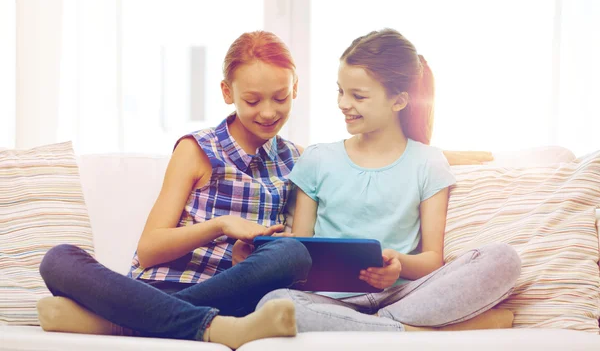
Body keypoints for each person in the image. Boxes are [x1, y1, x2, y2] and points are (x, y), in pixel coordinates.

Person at [37, 30, 495, 346]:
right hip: (170, 284)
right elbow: (150, 248)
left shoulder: (299, 157)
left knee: (290, 254)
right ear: (226, 92)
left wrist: (450, 154)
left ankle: (117, 321)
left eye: (282, 98)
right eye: (252, 100)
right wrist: (219, 225)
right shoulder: (197, 150)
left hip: (242, 290)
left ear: (296, 89)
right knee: (58, 258)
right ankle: (198, 324)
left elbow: (375, 151)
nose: (268, 112)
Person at [257, 28, 521, 333]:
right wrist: (275, 250)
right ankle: (407, 332)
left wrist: (399, 263)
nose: (343, 103)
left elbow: (433, 260)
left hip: (403, 294)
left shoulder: (428, 162)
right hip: (329, 300)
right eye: (340, 91)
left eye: (358, 96)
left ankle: (374, 326)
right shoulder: (317, 159)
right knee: (275, 303)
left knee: (503, 259)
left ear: (399, 101)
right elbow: (302, 252)